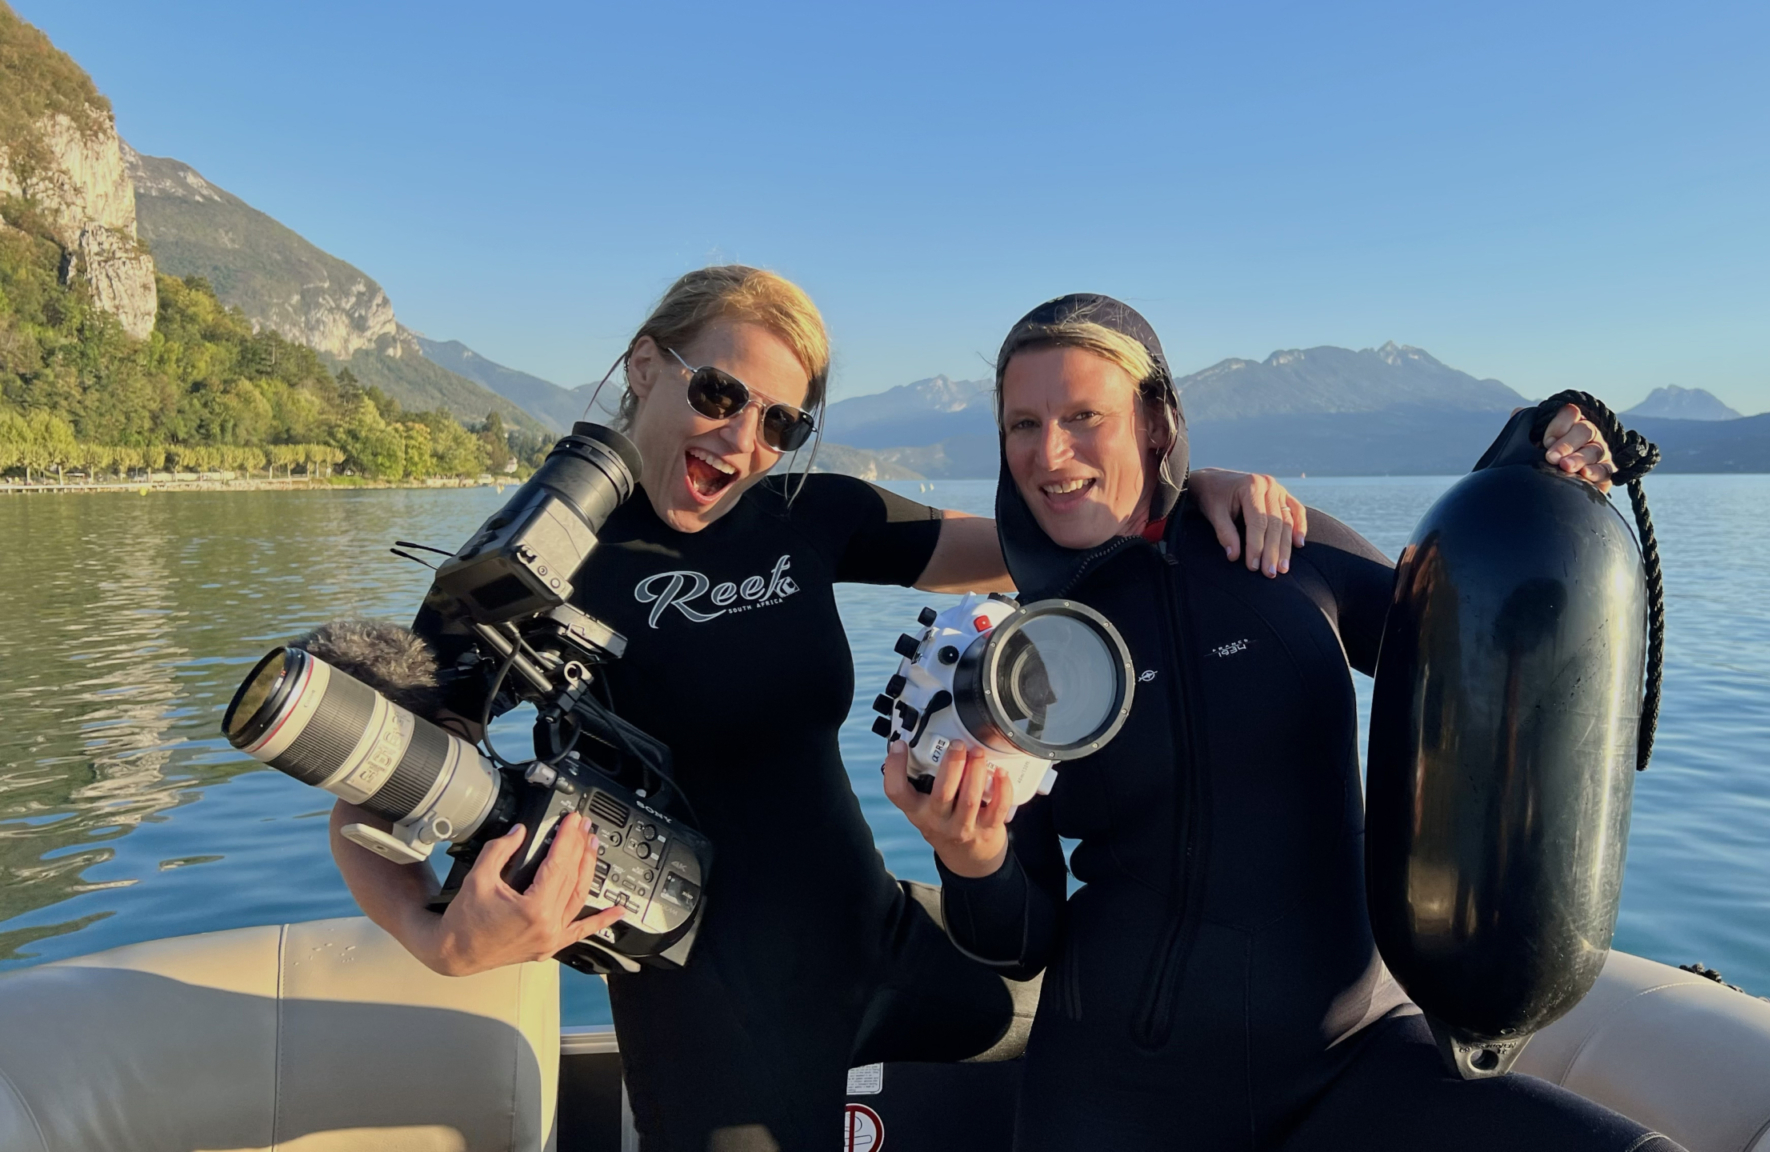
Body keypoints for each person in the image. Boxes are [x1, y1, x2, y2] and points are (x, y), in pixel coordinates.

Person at [324, 267, 1310, 1152]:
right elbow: (368, 788)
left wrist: (1182, 490)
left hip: (880, 943)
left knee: (1122, 1010)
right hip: (710, 1021)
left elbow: (1050, 537)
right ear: (644, 366)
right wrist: (432, 936)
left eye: (780, 425)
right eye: (718, 393)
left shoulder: (805, 517)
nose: (742, 440)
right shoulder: (530, 559)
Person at [884, 293, 1686, 1150]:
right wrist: (974, 859)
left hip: (1352, 1058)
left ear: (1156, 422)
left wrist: (1527, 467)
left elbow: (1469, 626)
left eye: (1085, 415)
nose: (1050, 452)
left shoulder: (1283, 548)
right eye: (1022, 425)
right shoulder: (1025, 647)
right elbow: (1019, 943)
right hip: (1117, 1092)